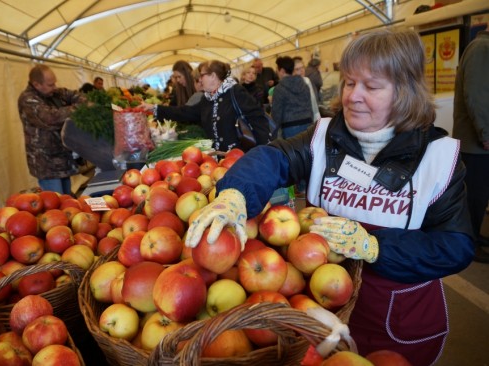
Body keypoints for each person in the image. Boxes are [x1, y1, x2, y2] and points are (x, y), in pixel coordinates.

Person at [185, 29, 474, 365]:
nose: (353, 96)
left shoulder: (438, 158)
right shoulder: (324, 136)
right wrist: (235, 195)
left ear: (405, 93)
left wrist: (376, 247)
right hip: (325, 318)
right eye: (350, 83)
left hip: (397, 321)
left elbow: (455, 246)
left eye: (372, 86)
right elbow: (274, 158)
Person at [143, 60, 272, 152]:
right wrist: (155, 108)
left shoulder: (235, 92)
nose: (199, 80)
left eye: (201, 75)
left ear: (213, 76)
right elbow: (184, 112)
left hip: (240, 156)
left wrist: (261, 151)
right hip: (219, 158)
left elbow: (258, 118)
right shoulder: (207, 99)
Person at [18, 64, 87, 195]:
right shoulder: (28, 100)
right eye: (50, 85)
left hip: (62, 159)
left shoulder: (54, 93)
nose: (54, 87)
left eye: (54, 83)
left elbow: (78, 96)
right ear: (37, 84)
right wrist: (79, 108)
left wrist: (82, 103)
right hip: (46, 164)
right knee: (56, 202)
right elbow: (51, 118)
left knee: (67, 200)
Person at [453, 25, 489, 263]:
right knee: (474, 197)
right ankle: (469, 242)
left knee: (479, 195)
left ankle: (474, 236)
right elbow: (476, 94)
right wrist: (486, 133)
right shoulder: (482, 49)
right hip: (476, 144)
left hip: (478, 141)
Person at [271, 56, 314, 139]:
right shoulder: (304, 84)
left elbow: (276, 114)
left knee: (293, 152)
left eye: (277, 69)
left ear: (282, 71)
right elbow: (310, 107)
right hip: (308, 124)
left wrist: (273, 134)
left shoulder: (279, 88)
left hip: (290, 128)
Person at [293, 56, 321, 122]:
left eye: (302, 67)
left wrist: (317, 116)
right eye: (297, 69)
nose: (301, 70)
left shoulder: (307, 80)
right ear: (293, 71)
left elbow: (313, 100)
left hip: (310, 117)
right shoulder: (292, 84)